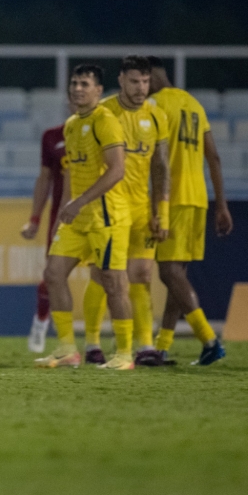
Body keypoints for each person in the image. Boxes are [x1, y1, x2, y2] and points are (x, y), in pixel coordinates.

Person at [35, 64, 135, 370]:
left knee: (113, 283)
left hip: (107, 216)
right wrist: (62, 217)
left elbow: (117, 170)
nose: (78, 88)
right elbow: (70, 177)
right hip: (77, 218)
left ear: (98, 91)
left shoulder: (107, 121)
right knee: (53, 274)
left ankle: (125, 354)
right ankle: (67, 349)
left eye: (84, 84)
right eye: (74, 83)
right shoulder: (71, 125)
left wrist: (80, 201)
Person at [84, 56, 170, 366]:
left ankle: (145, 345)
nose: (141, 88)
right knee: (103, 275)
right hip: (109, 206)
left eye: (145, 82)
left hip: (141, 208)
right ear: (121, 80)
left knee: (142, 274)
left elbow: (160, 166)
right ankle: (92, 342)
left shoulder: (156, 115)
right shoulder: (104, 112)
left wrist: (162, 209)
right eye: (135, 81)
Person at [146, 56, 231, 366]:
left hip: (174, 197)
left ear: (151, 77)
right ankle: (163, 346)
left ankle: (209, 339)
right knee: (176, 276)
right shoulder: (193, 103)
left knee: (168, 272)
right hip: (198, 199)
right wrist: (220, 205)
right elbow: (215, 158)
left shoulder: (155, 104)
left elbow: (157, 158)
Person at [20, 94, 74, 354]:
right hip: (62, 215)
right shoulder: (52, 137)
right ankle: (42, 322)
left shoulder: (104, 134)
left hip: (98, 213)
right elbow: (44, 180)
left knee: (107, 276)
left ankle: (98, 343)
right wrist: (35, 219)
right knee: (53, 273)